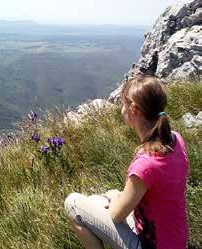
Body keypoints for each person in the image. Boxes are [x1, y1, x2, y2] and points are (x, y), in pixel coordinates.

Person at [64, 76, 189, 249]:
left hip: (151, 244)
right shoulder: (176, 139)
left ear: (134, 109)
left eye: (124, 104)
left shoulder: (145, 165)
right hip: (175, 241)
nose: (121, 109)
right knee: (96, 199)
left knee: (72, 204)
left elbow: (116, 215)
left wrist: (116, 196)